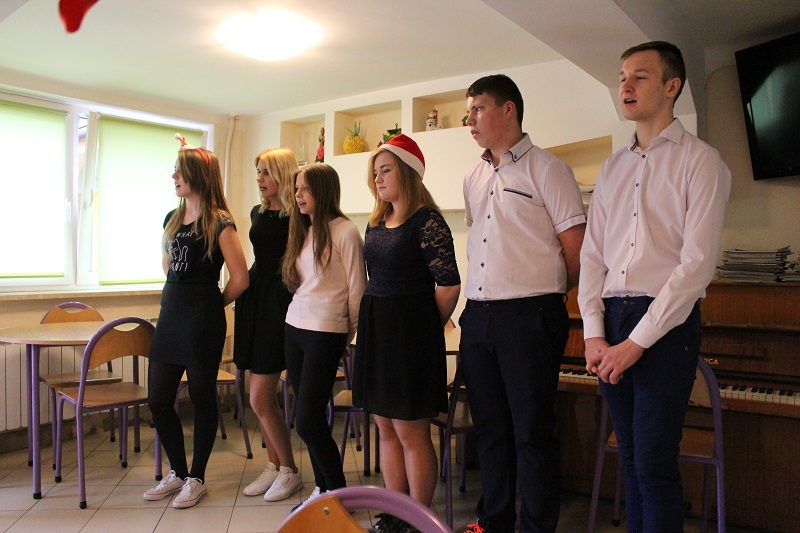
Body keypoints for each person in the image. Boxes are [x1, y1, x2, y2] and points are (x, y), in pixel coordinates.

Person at [578, 41, 731, 533]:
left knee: (654, 463)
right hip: (612, 318)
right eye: (622, 76)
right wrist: (593, 333)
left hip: (666, 322)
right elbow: (592, 255)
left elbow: (697, 266)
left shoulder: (702, 161)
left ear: (671, 86)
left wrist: (635, 343)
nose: (625, 85)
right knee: (631, 460)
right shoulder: (612, 167)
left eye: (640, 76)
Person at [459, 74, 586, 533]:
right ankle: (493, 522)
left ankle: (535, 527)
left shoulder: (548, 169)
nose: (470, 120)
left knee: (532, 431)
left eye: (478, 109)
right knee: (489, 428)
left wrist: (545, 296)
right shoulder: (474, 176)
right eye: (468, 112)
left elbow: (577, 250)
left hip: (530, 315)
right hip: (478, 315)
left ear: (508, 109)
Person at [352, 134, 461, 531]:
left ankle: (418, 520)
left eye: (386, 170)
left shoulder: (428, 221)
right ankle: (394, 517)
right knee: (384, 426)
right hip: (378, 331)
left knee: (411, 431)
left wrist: (422, 329)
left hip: (410, 337)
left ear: (408, 173)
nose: (377, 178)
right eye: (375, 172)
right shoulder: (375, 222)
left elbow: (449, 285)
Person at [144, 135, 249, 509]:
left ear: (198, 176)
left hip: (202, 319)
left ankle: (197, 477)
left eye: (180, 171)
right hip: (171, 314)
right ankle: (177, 471)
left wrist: (212, 303)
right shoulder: (172, 219)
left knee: (202, 397)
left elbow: (241, 278)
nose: (174, 176)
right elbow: (168, 266)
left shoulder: (220, 221)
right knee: (158, 399)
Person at [281, 163, 367, 509]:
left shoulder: (346, 232)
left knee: (307, 421)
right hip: (294, 328)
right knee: (309, 419)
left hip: (326, 332)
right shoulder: (303, 229)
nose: (298, 195)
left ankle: (339, 495)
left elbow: (357, 293)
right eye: (296, 188)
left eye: (305, 188)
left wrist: (344, 337)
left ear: (324, 190)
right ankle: (322, 489)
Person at [233, 148, 303, 502]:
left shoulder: (299, 216)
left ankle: (289, 469)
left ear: (282, 174)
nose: (259, 178)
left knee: (259, 396)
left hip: (281, 302)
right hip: (256, 299)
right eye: (257, 171)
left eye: (265, 172)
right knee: (259, 395)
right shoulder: (257, 212)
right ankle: (274, 465)